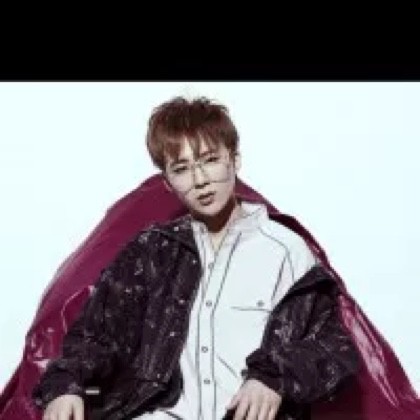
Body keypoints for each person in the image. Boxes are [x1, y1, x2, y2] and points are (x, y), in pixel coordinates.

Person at [29, 96, 360, 420]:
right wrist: (66, 385)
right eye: (182, 169)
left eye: (210, 160)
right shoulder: (151, 251)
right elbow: (98, 335)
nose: (200, 180)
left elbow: (333, 347)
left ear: (235, 160)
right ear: (167, 183)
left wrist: (274, 377)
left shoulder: (285, 251)